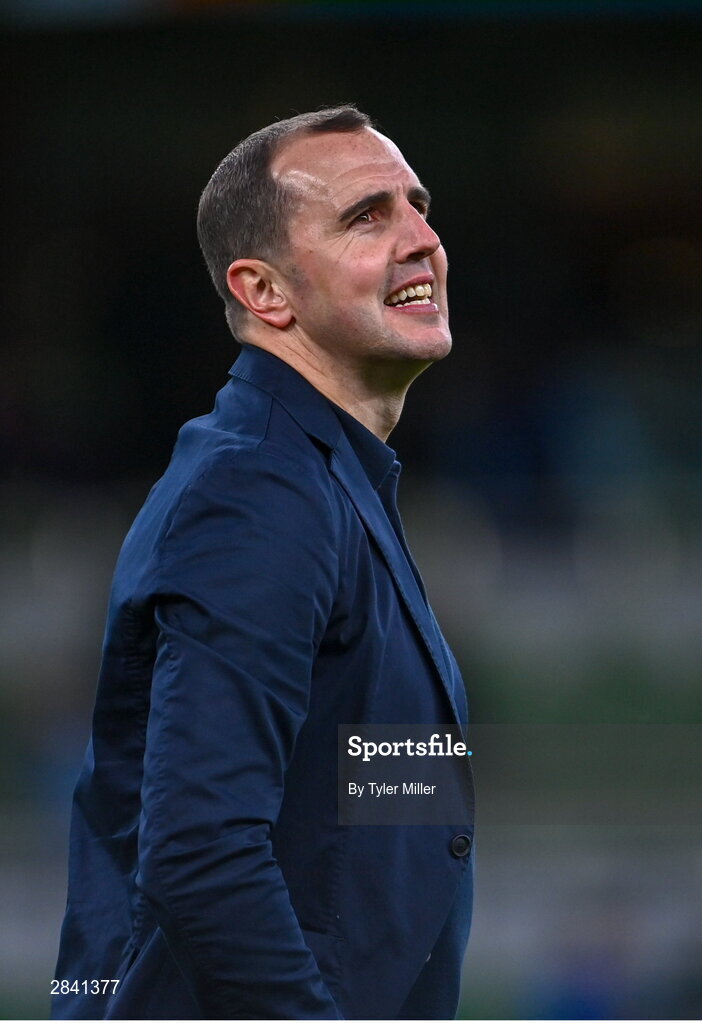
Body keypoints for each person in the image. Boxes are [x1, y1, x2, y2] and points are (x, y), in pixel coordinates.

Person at [52, 105, 473, 1020]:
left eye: (418, 205)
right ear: (265, 293)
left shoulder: (328, 479)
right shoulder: (259, 493)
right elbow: (199, 851)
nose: (423, 239)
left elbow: (352, 814)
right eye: (368, 216)